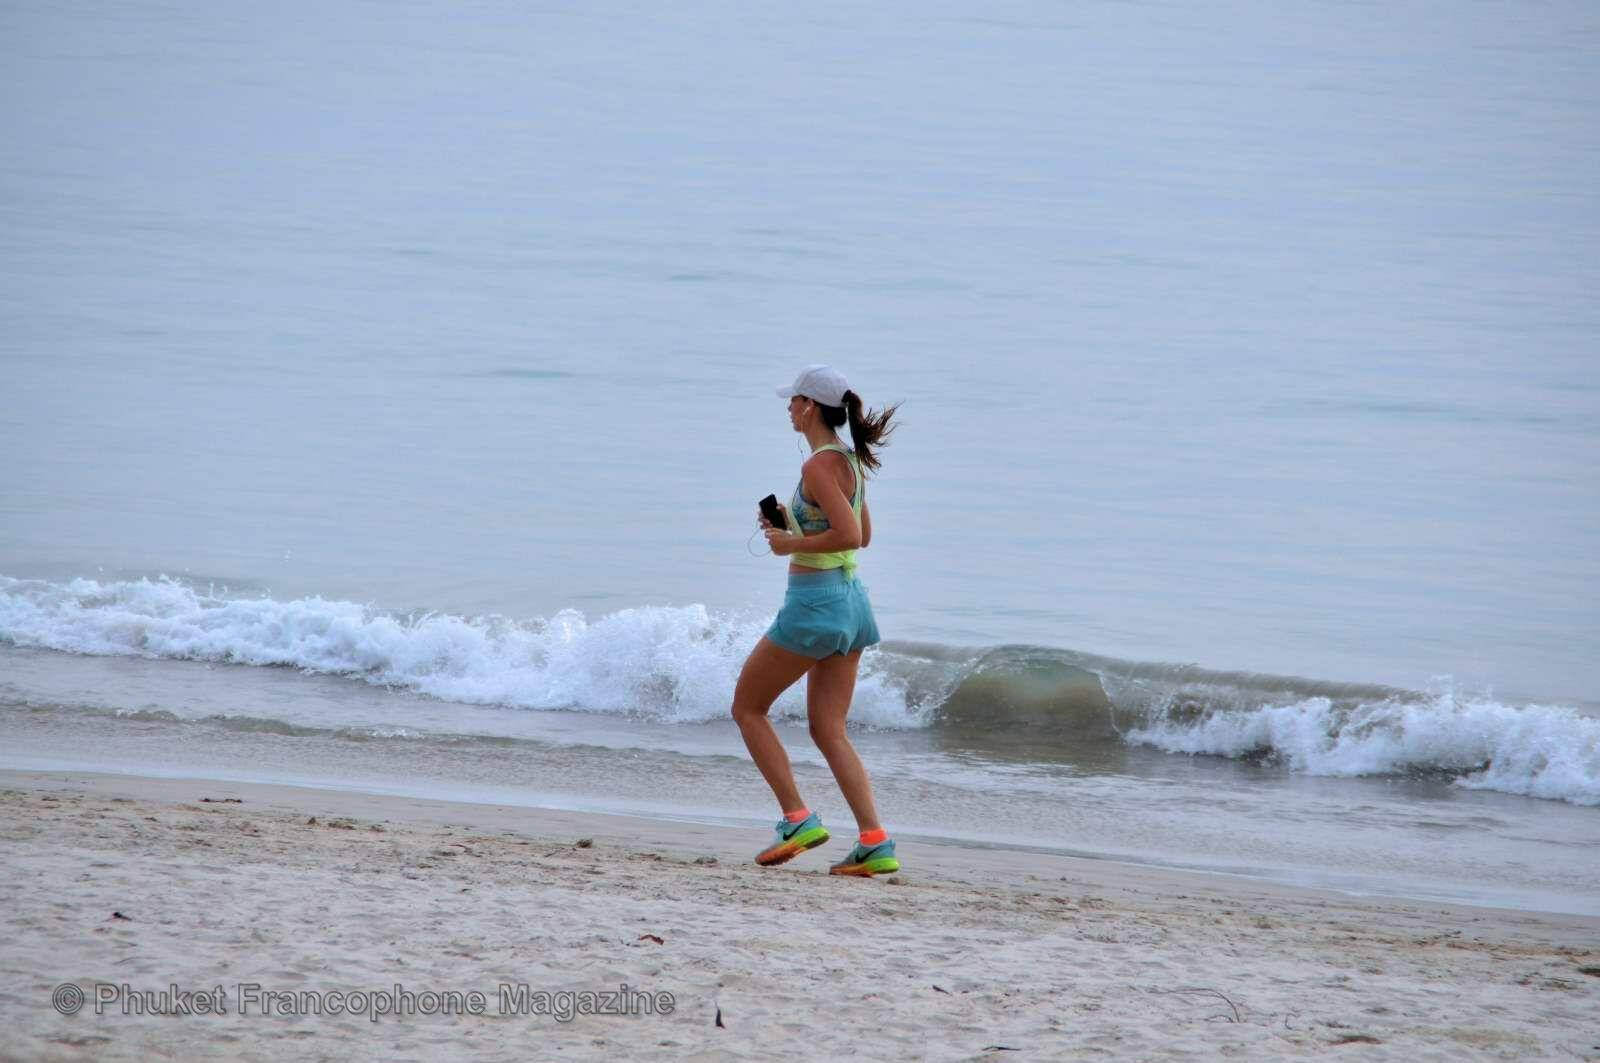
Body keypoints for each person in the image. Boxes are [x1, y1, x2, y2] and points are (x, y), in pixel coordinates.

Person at [733, 363, 902, 877]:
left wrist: (790, 542)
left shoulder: (817, 466)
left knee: (747, 708)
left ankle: (797, 818)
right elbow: (859, 533)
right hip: (851, 604)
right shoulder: (848, 461)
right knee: (829, 729)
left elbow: (850, 536)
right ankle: (875, 842)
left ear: (809, 407)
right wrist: (793, 521)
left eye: (792, 401)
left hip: (815, 604)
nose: (787, 408)